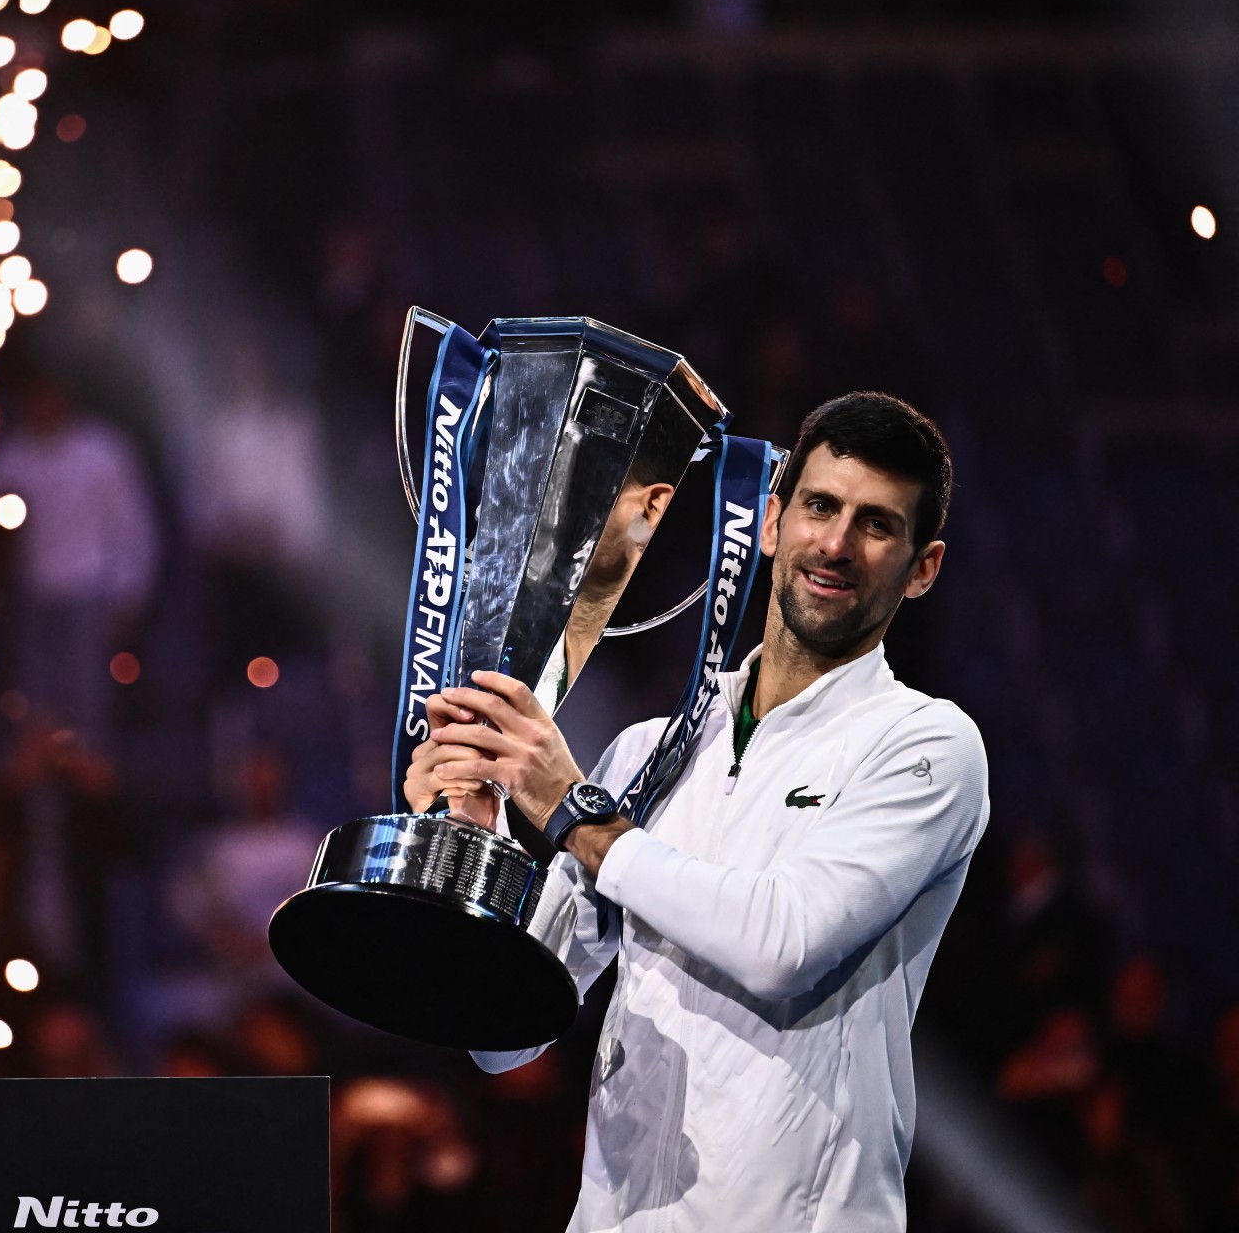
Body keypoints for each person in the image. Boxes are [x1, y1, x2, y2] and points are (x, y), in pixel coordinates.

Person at [405, 391, 988, 1231]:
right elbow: (505, 1038)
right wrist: (478, 831)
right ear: (772, 519)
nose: (834, 544)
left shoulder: (926, 746)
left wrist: (573, 809)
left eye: (876, 525)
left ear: (923, 566)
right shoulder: (651, 750)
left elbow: (784, 945)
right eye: (819, 507)